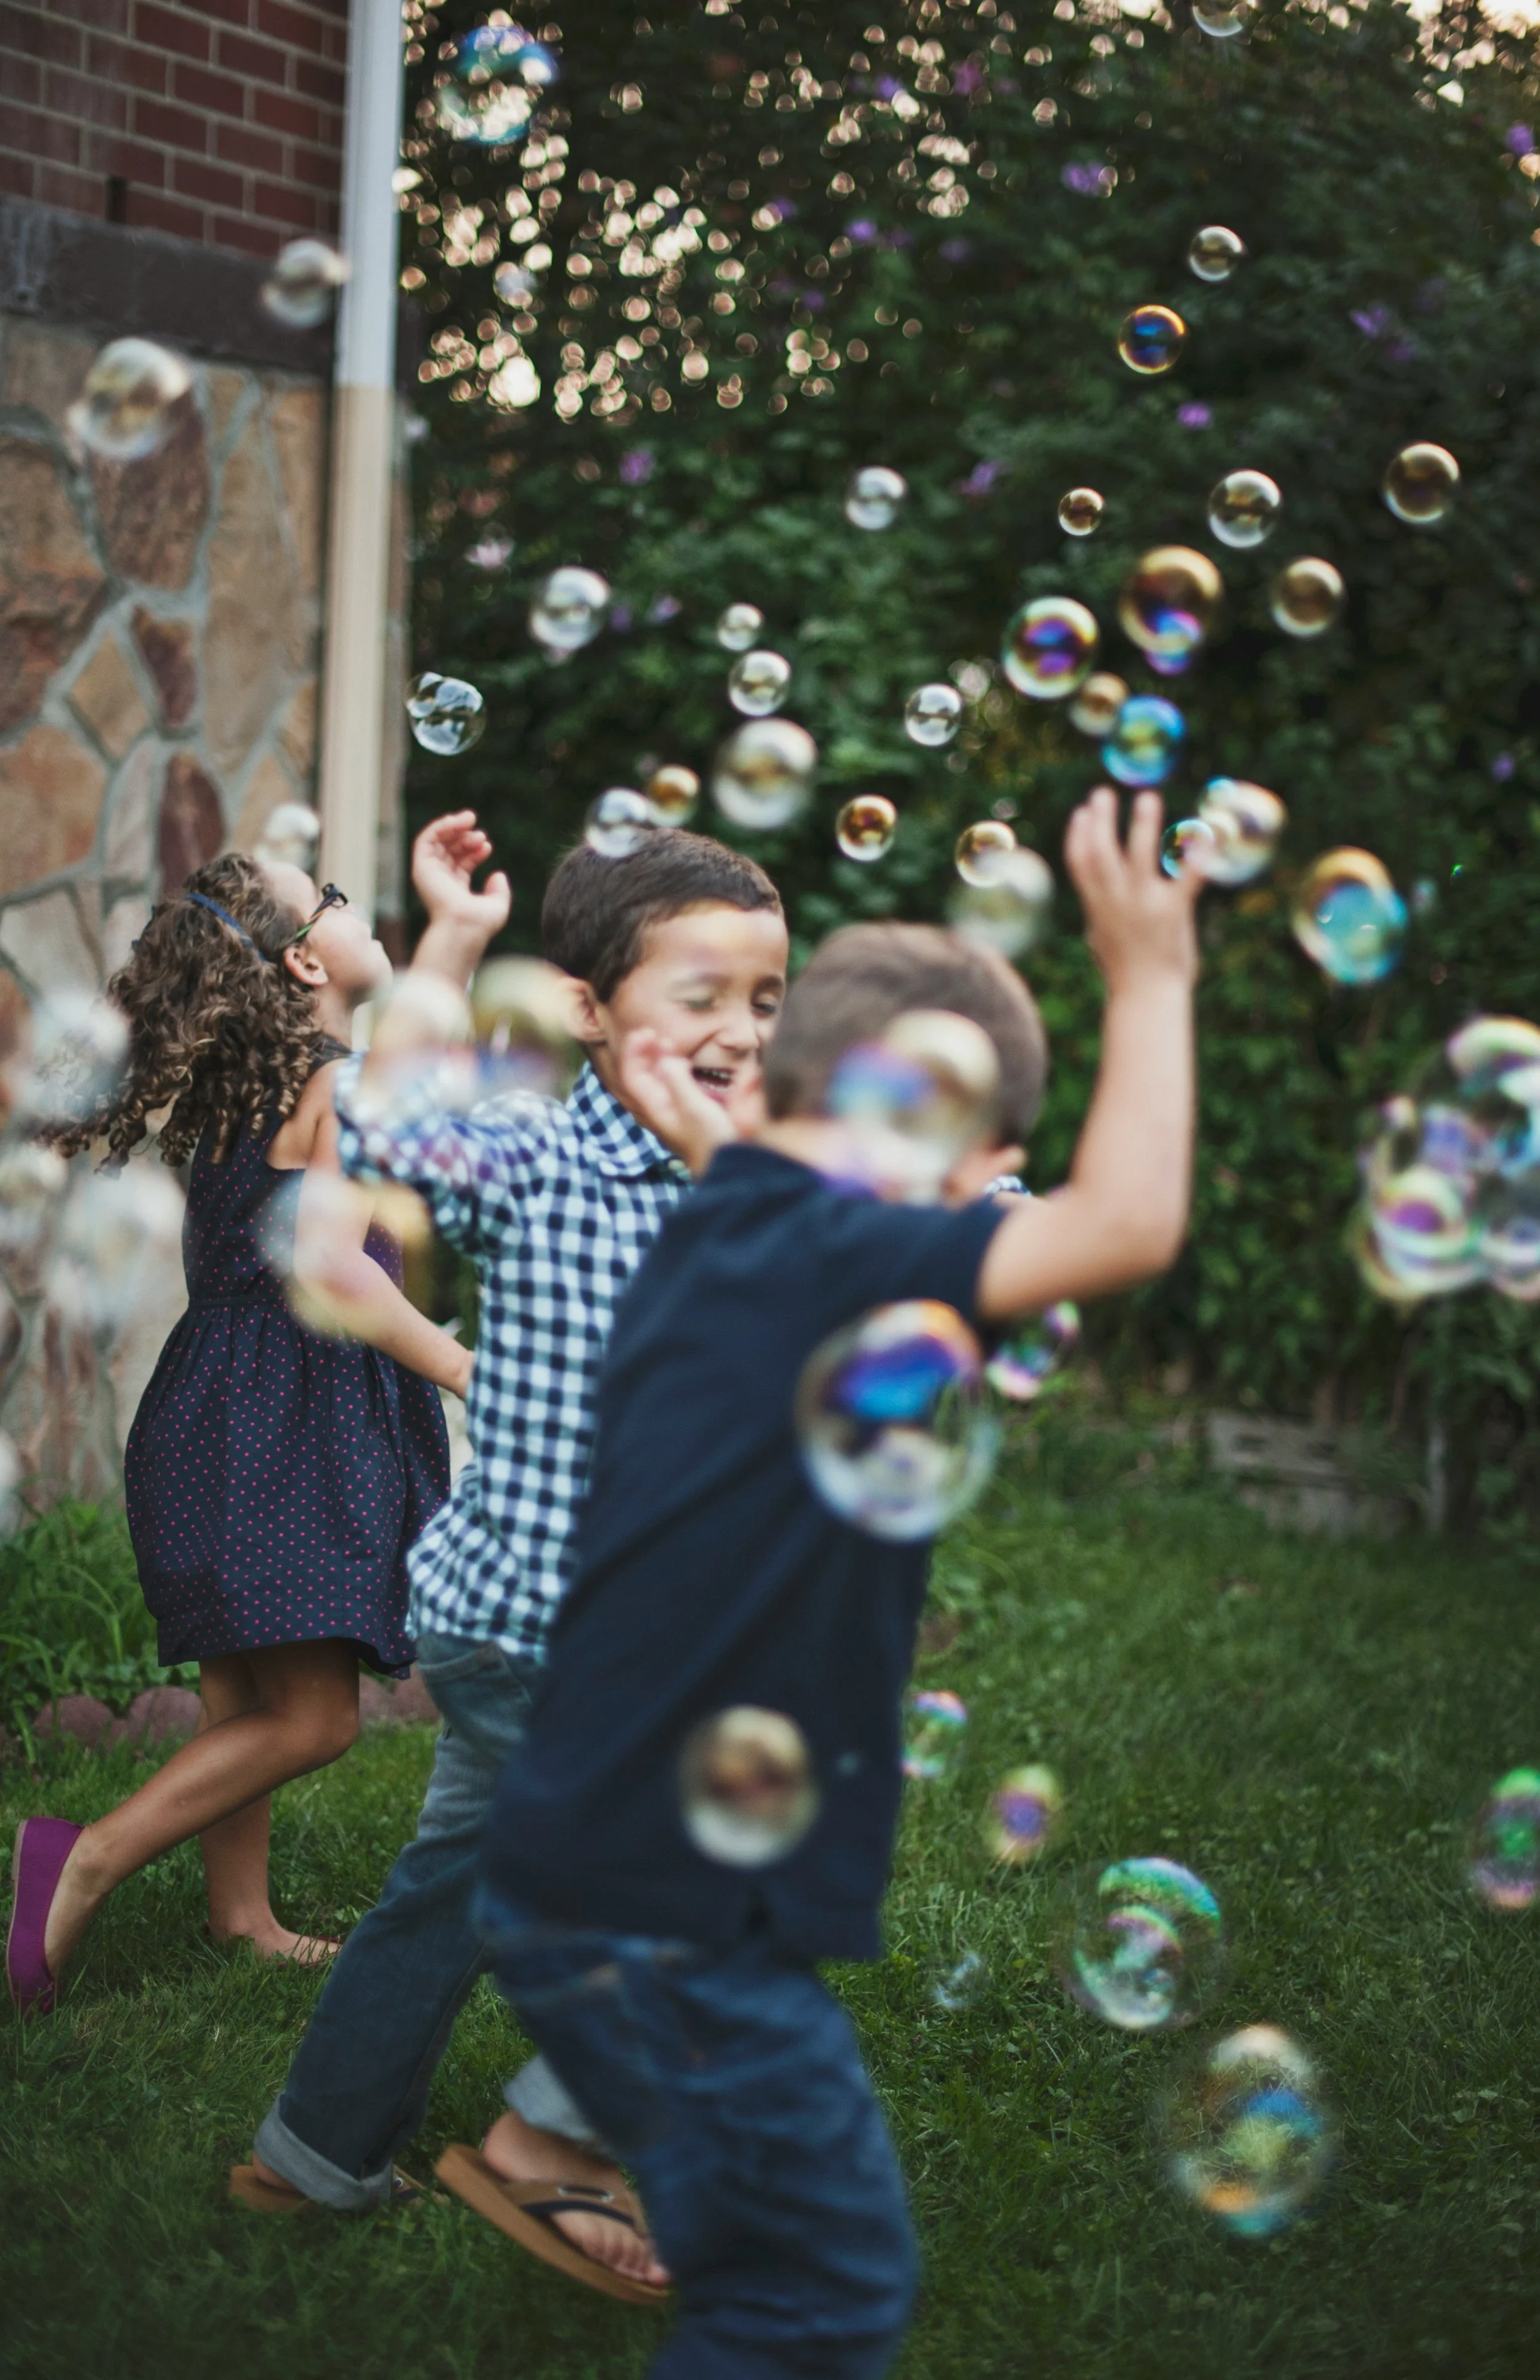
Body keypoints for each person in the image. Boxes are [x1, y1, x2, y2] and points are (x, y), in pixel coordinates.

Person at [467, 786, 1202, 2378]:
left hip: (580, 1872)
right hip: (677, 1920)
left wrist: (733, 1131)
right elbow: (1132, 1221)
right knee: (820, 2290)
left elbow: (752, 1160)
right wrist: (1149, 973)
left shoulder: (722, 1221)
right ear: (943, 1146)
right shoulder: (844, 1252)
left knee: (756, 2273)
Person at [240, 812, 788, 2283]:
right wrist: (452, 940)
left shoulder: (754, 1173)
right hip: (550, 1629)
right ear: (591, 1013)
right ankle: (550, 2144)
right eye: (700, 996)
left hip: (559, 1628)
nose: (739, 1032)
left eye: (764, 999)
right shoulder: (535, 1153)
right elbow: (389, 1119)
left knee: (450, 1899)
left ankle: (310, 2157)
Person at [6, 854, 459, 2018]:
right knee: (310, 1719)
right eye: (338, 898)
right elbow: (332, 1272)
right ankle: (85, 1860)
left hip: (208, 1407)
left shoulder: (241, 1097)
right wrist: (470, 1367)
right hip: (289, 1418)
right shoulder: (337, 1086)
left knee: (241, 1700)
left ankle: (241, 1919)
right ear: (307, 960)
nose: (357, 909)